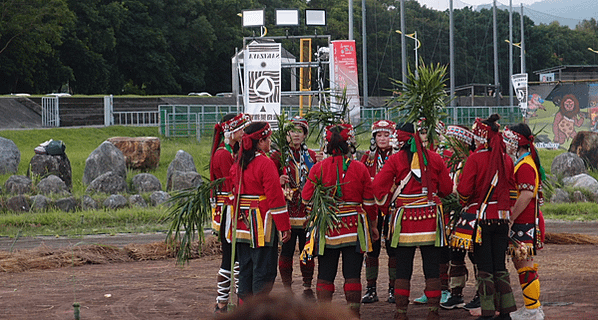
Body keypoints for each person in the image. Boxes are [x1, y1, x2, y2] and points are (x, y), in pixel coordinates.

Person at [373, 122, 453, 320]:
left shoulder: (394, 160)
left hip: (405, 221)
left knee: (403, 267)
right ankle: (433, 313)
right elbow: (447, 189)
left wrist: (388, 207)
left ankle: (401, 313)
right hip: (431, 219)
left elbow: (377, 187)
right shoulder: (435, 159)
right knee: (432, 267)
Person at [301, 123, 379, 317]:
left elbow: (305, 197)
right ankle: (354, 315)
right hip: (354, 228)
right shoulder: (360, 168)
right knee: (352, 274)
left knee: (326, 274)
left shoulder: (319, 168)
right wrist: (373, 226)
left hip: (328, 227)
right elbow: (369, 203)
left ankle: (324, 315)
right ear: (349, 144)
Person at [456, 114, 517, 320]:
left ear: (481, 137)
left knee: (485, 268)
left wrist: (463, 200)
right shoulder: (506, 159)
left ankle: (488, 311)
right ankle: (506, 311)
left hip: (481, 220)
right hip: (502, 218)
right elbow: (512, 191)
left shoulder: (474, 158)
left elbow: (464, 191)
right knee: (500, 265)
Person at [228, 121, 292, 304]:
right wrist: (284, 226)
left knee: (245, 269)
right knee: (264, 271)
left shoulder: (239, 162)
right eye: (268, 139)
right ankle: (258, 312)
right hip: (261, 225)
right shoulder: (265, 163)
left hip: (241, 223)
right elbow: (275, 196)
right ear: (260, 141)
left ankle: (243, 311)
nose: (270, 142)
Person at [270, 116, 317, 298]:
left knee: (308, 250)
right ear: (286, 134)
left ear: (305, 135)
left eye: (300, 131)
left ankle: (307, 287)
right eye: (292, 131)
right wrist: (278, 181)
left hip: (306, 212)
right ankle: (287, 289)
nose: (296, 135)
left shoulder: (311, 156)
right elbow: (267, 180)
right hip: (287, 211)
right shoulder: (277, 156)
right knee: (287, 251)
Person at [503, 123, 546, 320]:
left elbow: (527, 194)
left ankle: (532, 309)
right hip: (524, 220)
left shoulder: (525, 164)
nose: (506, 145)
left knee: (524, 264)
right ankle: (532, 307)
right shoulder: (524, 161)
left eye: (508, 141)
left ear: (516, 142)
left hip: (523, 221)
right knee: (522, 264)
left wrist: (511, 217)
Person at [210, 113, 251, 313]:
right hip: (229, 210)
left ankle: (228, 301)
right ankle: (222, 303)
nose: (244, 134)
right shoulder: (223, 154)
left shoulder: (231, 151)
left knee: (235, 258)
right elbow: (232, 183)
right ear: (231, 132)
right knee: (229, 258)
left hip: (232, 208)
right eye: (242, 130)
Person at [360, 120, 398, 304]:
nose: (382, 139)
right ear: (374, 137)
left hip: (392, 208)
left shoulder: (399, 157)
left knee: (393, 248)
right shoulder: (367, 157)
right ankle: (371, 289)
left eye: (386, 135)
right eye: (379, 135)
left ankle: (393, 289)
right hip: (372, 208)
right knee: (371, 249)